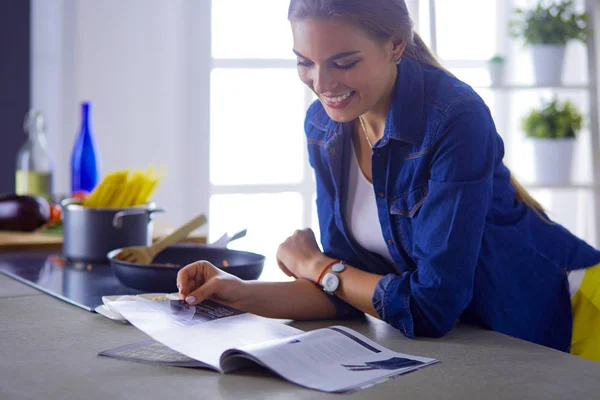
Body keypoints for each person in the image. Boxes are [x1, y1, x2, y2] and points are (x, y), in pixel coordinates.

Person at [178, 0, 600, 361]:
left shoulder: (455, 117)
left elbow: (431, 307)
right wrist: (238, 292)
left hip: (573, 311)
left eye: (344, 62)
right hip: (485, 339)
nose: (322, 85)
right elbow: (345, 285)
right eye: (305, 62)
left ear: (395, 45)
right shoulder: (324, 128)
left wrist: (315, 264)